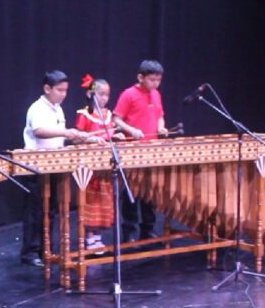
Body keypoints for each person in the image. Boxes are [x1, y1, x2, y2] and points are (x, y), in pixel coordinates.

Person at [20, 70, 99, 267]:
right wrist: (68, 132)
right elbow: (40, 131)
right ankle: (30, 253)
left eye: (65, 91)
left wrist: (87, 137)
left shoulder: (57, 109)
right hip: (35, 167)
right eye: (59, 90)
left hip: (54, 164)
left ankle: (46, 248)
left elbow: (60, 137)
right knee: (36, 211)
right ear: (47, 88)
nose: (63, 94)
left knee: (51, 210)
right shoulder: (37, 108)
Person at [112, 60, 168, 243]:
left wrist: (161, 128)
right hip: (131, 151)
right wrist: (131, 130)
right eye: (152, 80)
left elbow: (159, 116)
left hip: (152, 151)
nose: (155, 84)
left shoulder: (156, 95)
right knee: (131, 194)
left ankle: (148, 229)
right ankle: (129, 231)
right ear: (140, 77)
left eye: (158, 80)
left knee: (150, 193)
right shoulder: (128, 95)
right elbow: (116, 119)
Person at [74, 74, 126, 254]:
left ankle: (98, 238)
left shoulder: (108, 115)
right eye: (101, 94)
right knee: (92, 201)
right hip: (90, 169)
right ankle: (89, 238)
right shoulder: (84, 115)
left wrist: (115, 135)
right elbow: (78, 139)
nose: (104, 98)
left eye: (107, 95)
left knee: (104, 202)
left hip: (105, 168)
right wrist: (94, 139)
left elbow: (109, 133)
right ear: (91, 95)